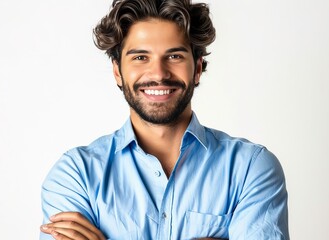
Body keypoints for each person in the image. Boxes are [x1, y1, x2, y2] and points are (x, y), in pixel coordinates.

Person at [39, 0, 289, 239]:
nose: (158, 73)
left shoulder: (250, 169)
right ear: (117, 72)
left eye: (174, 56)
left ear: (198, 68)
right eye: (140, 57)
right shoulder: (75, 176)